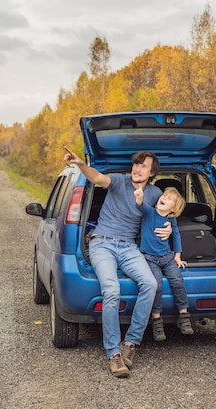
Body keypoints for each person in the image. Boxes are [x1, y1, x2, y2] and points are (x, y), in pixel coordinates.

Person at [63, 146, 171, 378]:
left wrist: (170, 226)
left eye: (144, 166)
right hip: (102, 243)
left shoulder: (153, 194)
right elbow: (96, 177)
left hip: (129, 247)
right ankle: (113, 354)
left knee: (150, 284)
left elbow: (169, 210)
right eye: (136, 164)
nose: (137, 169)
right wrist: (80, 164)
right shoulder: (119, 182)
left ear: (152, 173)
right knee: (112, 290)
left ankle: (130, 344)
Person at [134, 186, 194, 341]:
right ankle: (157, 320)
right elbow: (140, 205)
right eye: (164, 195)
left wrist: (178, 256)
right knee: (157, 285)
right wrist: (139, 197)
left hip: (167, 257)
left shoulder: (171, 220)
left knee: (177, 281)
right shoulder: (149, 213)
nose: (164, 198)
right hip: (149, 258)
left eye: (169, 199)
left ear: (173, 210)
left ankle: (184, 316)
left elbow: (176, 236)